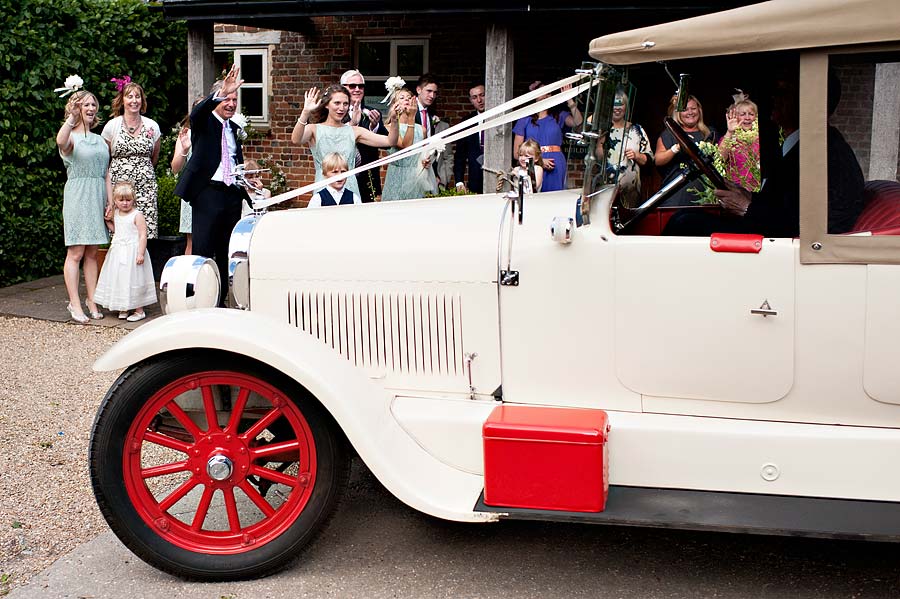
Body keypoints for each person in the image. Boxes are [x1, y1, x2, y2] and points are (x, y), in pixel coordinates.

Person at [665, 71, 864, 238]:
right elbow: (784, 201)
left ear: (810, 101)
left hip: (788, 245)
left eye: (783, 92)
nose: (774, 99)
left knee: (683, 223)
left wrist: (746, 207)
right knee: (684, 219)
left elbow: (806, 221)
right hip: (774, 234)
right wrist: (748, 196)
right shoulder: (808, 145)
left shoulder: (822, 153)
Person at [173, 65, 251, 305]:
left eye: (234, 99)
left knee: (226, 249)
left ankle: (220, 301)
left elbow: (234, 159)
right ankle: (200, 299)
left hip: (230, 194)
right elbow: (196, 113)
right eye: (226, 98)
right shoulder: (204, 122)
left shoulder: (234, 128)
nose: (230, 103)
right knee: (203, 249)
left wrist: (246, 182)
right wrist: (219, 93)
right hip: (206, 193)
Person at [56, 88, 110, 323]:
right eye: (85, 105)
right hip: (78, 196)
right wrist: (71, 119)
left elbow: (107, 173)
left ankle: (92, 299)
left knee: (91, 252)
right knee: (76, 251)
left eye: (93, 105)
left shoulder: (100, 139)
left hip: (98, 194)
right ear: (76, 108)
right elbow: (60, 140)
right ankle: (74, 304)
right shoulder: (70, 138)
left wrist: (110, 203)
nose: (90, 109)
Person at [292, 84, 400, 199]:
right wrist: (305, 112)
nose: (342, 108)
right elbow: (296, 139)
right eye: (337, 103)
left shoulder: (354, 131)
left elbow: (390, 141)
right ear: (327, 104)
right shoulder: (314, 129)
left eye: (345, 104)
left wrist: (394, 120)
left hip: (350, 189)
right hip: (323, 189)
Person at [101, 80, 161, 238]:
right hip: (119, 188)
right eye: (130, 96)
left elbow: (154, 157)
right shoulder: (111, 126)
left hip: (145, 187)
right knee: (120, 231)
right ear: (123, 100)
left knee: (144, 233)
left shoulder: (152, 126)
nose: (134, 100)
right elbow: (104, 159)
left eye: (138, 96)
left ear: (142, 100)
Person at [93, 181, 156, 322]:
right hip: (118, 252)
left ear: (133, 199)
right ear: (115, 200)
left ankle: (139, 310)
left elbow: (142, 234)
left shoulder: (137, 215)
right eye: (121, 200)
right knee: (120, 278)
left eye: (128, 200)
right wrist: (108, 222)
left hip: (133, 252)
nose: (125, 203)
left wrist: (140, 253)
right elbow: (118, 230)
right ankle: (124, 307)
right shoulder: (116, 214)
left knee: (134, 279)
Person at [512, 80, 583, 192]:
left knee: (556, 196)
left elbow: (578, 122)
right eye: (542, 92)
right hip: (532, 164)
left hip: (555, 163)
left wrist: (570, 100)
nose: (545, 96)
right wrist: (539, 160)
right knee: (534, 195)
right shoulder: (524, 119)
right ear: (534, 95)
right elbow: (517, 153)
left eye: (549, 93)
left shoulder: (559, 116)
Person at [654, 95, 717, 206]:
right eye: (685, 109)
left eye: (693, 108)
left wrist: (730, 133)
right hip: (676, 197)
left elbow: (720, 157)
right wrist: (676, 148)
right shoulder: (670, 134)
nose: (690, 112)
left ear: (699, 110)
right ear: (678, 113)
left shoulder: (710, 133)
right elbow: (658, 160)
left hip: (705, 196)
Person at [340, 69, 388, 202]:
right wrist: (352, 123)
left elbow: (387, 143)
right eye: (352, 86)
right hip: (342, 175)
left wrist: (374, 126)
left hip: (368, 177)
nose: (357, 89)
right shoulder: (335, 113)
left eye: (361, 86)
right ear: (342, 88)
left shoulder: (372, 112)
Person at [382, 88, 437, 201]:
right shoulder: (389, 128)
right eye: (401, 98)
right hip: (397, 175)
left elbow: (424, 153)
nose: (406, 100)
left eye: (409, 98)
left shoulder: (421, 129)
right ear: (394, 104)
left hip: (416, 176)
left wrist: (425, 160)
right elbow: (406, 146)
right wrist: (411, 118)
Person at [605, 91, 653, 208]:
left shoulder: (637, 130)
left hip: (631, 194)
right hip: (605, 191)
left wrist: (637, 156)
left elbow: (650, 159)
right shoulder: (602, 130)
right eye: (614, 105)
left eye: (620, 104)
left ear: (626, 107)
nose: (617, 108)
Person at [170, 98, 203, 255]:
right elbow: (175, 168)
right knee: (192, 241)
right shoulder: (186, 134)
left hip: (214, 191)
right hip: (192, 191)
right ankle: (189, 278)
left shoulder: (220, 133)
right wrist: (184, 150)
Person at [718, 91, 761, 191]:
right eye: (743, 114)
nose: (747, 118)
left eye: (751, 114)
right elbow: (720, 160)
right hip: (736, 191)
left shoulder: (761, 139)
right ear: (734, 117)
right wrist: (730, 132)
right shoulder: (729, 138)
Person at [454, 83, 486, 193]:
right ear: (471, 100)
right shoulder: (467, 122)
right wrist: (459, 181)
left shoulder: (501, 117)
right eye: (475, 97)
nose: (479, 100)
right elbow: (460, 155)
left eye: (482, 95)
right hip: (475, 179)